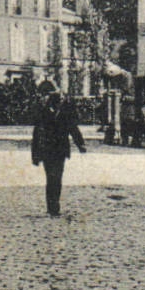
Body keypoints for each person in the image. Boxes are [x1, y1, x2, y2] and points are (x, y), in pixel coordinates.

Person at [30, 80, 87, 217]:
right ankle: (52, 207)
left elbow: (73, 128)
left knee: (56, 178)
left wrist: (80, 144)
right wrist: (35, 155)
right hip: (48, 149)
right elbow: (37, 133)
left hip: (59, 150)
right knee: (52, 178)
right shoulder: (43, 111)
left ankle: (54, 206)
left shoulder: (64, 111)